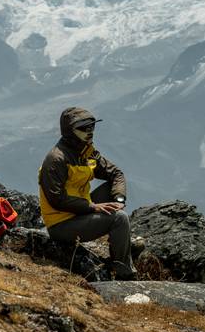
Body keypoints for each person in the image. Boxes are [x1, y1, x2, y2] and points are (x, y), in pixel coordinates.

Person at [38, 107, 137, 280]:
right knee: (119, 218)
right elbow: (56, 199)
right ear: (70, 131)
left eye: (92, 126)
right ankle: (125, 275)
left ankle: (120, 247)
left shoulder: (86, 152)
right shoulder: (56, 159)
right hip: (61, 224)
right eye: (83, 128)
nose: (90, 131)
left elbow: (116, 174)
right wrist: (92, 207)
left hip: (80, 210)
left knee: (112, 193)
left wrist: (119, 198)